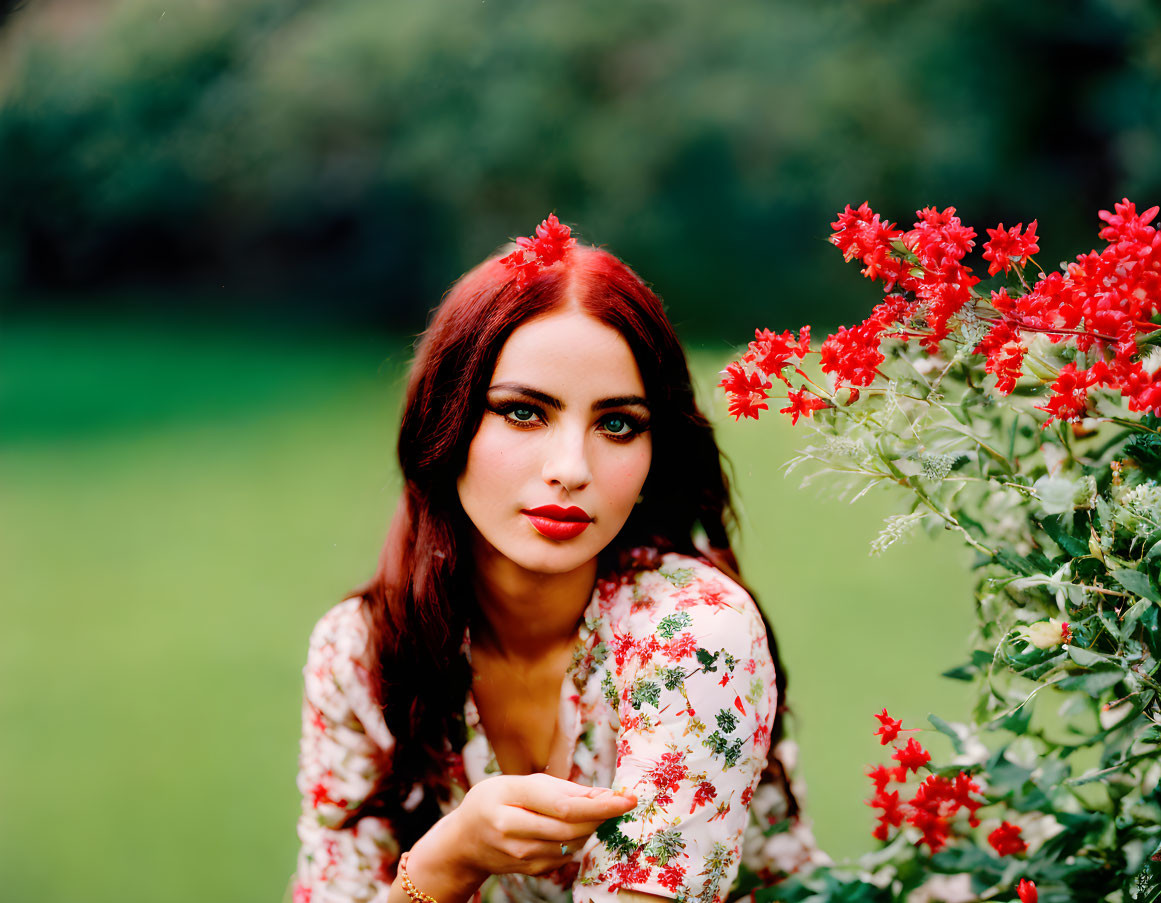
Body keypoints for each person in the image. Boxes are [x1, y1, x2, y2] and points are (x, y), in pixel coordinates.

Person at [291, 215, 828, 903]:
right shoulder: (361, 651)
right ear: (444, 421)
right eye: (523, 412)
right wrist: (446, 861)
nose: (571, 468)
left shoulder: (694, 635)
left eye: (617, 423)